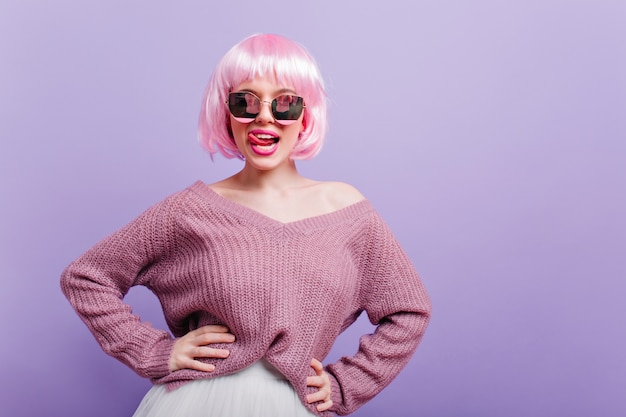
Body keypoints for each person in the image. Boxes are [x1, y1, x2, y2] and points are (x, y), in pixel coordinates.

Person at [60, 33, 431, 417]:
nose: (264, 116)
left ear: (306, 114)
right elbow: (87, 277)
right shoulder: (189, 210)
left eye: (285, 102)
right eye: (245, 102)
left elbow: (409, 310)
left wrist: (346, 384)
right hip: (193, 404)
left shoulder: (348, 212)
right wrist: (156, 352)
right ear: (226, 113)